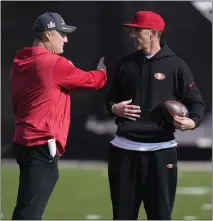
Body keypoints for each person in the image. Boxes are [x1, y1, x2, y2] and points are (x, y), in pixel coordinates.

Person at [106, 11, 204, 220]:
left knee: (160, 216)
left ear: (153, 33)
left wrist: (191, 122)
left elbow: (196, 104)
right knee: (122, 216)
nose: (132, 35)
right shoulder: (126, 64)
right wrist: (115, 108)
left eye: (136, 30)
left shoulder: (176, 66)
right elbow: (110, 100)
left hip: (161, 153)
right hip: (124, 152)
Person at [10, 12, 107, 220]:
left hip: (24, 139)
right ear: (47, 35)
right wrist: (102, 72)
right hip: (41, 141)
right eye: (61, 34)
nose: (66, 39)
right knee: (31, 209)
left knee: (26, 203)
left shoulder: (21, 61)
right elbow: (91, 81)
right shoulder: (54, 63)